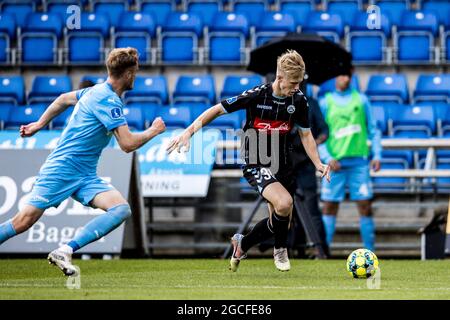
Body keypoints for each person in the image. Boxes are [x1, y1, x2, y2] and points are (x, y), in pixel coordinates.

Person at [0, 47, 166, 276]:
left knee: (120, 209)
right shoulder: (109, 101)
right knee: (23, 222)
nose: (135, 77)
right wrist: (153, 131)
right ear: (128, 74)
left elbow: (62, 99)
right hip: (62, 167)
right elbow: (127, 144)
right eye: (135, 72)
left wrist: (39, 124)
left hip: (85, 175)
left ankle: (65, 250)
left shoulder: (93, 91)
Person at [167, 49, 330, 272]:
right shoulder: (257, 95)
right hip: (256, 159)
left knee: (281, 221)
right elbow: (216, 110)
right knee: (284, 203)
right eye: (293, 83)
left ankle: (242, 244)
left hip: (282, 162)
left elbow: (306, 134)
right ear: (279, 77)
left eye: (299, 83)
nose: (297, 87)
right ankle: (280, 250)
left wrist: (318, 163)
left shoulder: (299, 100)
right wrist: (188, 132)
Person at [318, 69, 381, 253]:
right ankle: (324, 251)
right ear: (335, 77)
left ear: (351, 77)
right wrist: (327, 158)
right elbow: (318, 135)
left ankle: (370, 252)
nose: (344, 78)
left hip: (359, 164)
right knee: (329, 207)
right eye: (340, 74)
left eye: (347, 75)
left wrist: (377, 155)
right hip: (334, 165)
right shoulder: (325, 102)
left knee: (365, 206)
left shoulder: (361, 100)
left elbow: (373, 130)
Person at [289, 93, 330, 258]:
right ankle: (291, 249)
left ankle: (320, 250)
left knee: (311, 208)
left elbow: (324, 131)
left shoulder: (311, 103)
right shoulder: (275, 103)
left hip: (305, 165)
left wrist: (310, 145)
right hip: (284, 164)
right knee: (285, 209)